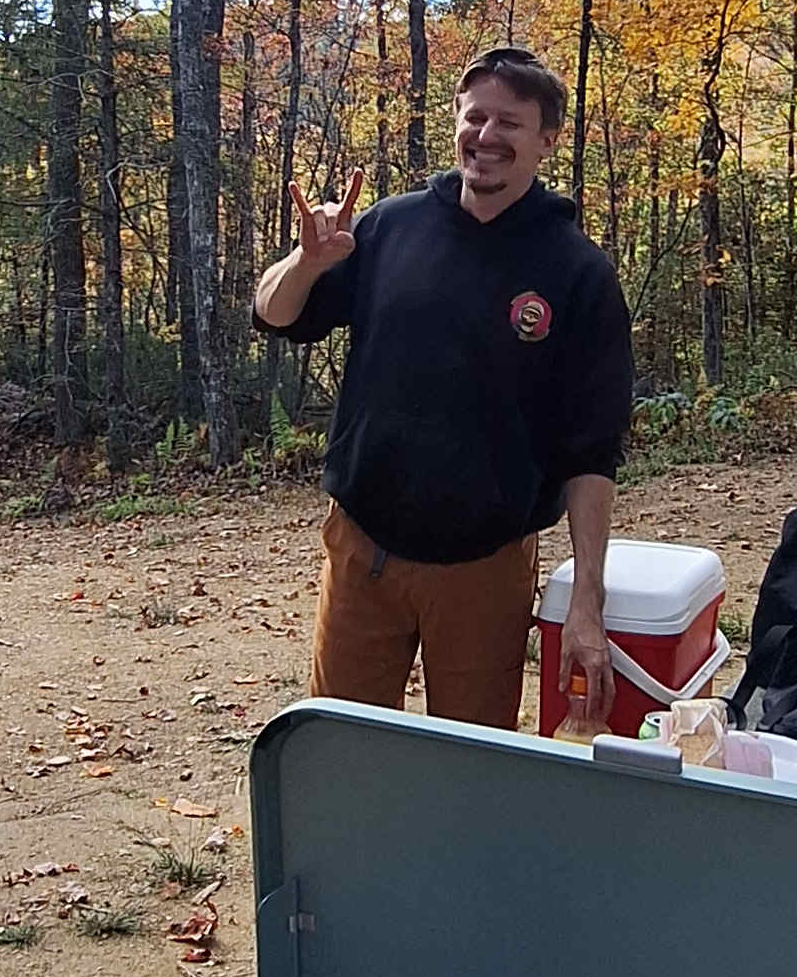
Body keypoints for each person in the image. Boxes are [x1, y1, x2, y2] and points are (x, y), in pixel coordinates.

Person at [252, 45, 633, 728]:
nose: (486, 137)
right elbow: (276, 315)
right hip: (362, 552)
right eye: (475, 117)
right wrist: (307, 263)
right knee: (346, 753)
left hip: (484, 570)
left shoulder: (578, 273)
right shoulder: (388, 228)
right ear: (455, 120)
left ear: (545, 141)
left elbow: (591, 454)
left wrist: (587, 600)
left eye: (509, 124)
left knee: (469, 768)